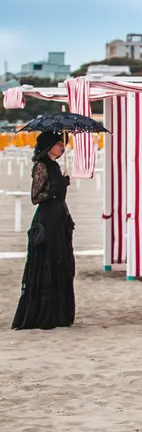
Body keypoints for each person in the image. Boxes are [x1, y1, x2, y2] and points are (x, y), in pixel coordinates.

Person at [12, 131, 76, 330]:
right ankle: (44, 313)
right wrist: (55, 191)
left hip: (59, 217)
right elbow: (35, 197)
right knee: (48, 261)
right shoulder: (41, 166)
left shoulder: (56, 166)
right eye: (58, 144)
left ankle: (59, 313)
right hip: (47, 219)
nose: (62, 147)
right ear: (49, 146)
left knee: (60, 262)